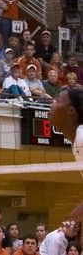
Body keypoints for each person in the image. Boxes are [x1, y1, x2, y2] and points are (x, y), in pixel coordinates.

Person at [48, 87, 83, 221]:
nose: (52, 104)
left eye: (57, 101)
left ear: (71, 110)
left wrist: (70, 219)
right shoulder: (77, 141)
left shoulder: (81, 138)